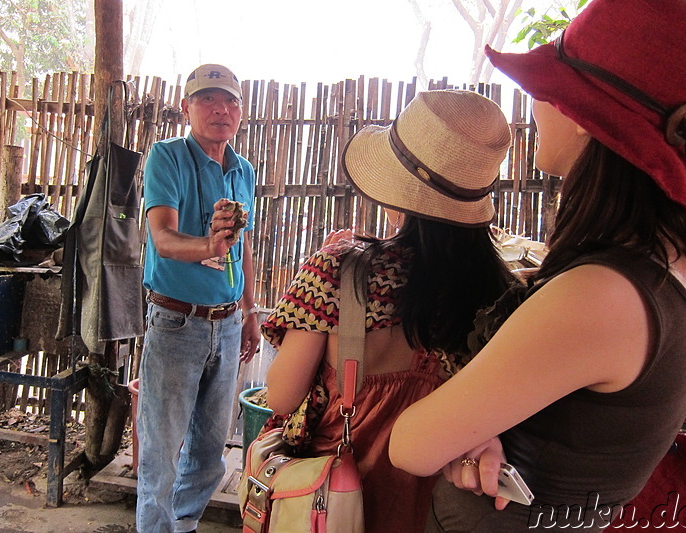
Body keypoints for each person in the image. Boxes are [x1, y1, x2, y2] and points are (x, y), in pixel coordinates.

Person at [389, 0, 686, 531]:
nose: (536, 102)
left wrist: (462, 428)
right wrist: (482, 424)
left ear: (587, 119)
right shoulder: (661, 267)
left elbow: (411, 445)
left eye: (551, 88)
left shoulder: (603, 294)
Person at [260, 90, 517, 533]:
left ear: (397, 189)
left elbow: (281, 397)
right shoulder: (502, 293)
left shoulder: (340, 270)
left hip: (337, 500)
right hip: (438, 507)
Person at [136, 63, 261, 533]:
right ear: (187, 107)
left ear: (241, 114)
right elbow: (162, 239)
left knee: (209, 457)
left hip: (228, 326)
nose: (220, 109)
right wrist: (209, 246)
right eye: (208, 99)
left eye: (230, 101)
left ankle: (181, 527)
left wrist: (250, 310)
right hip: (176, 322)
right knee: (162, 456)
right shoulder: (167, 158)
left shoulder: (242, 170)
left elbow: (244, 247)